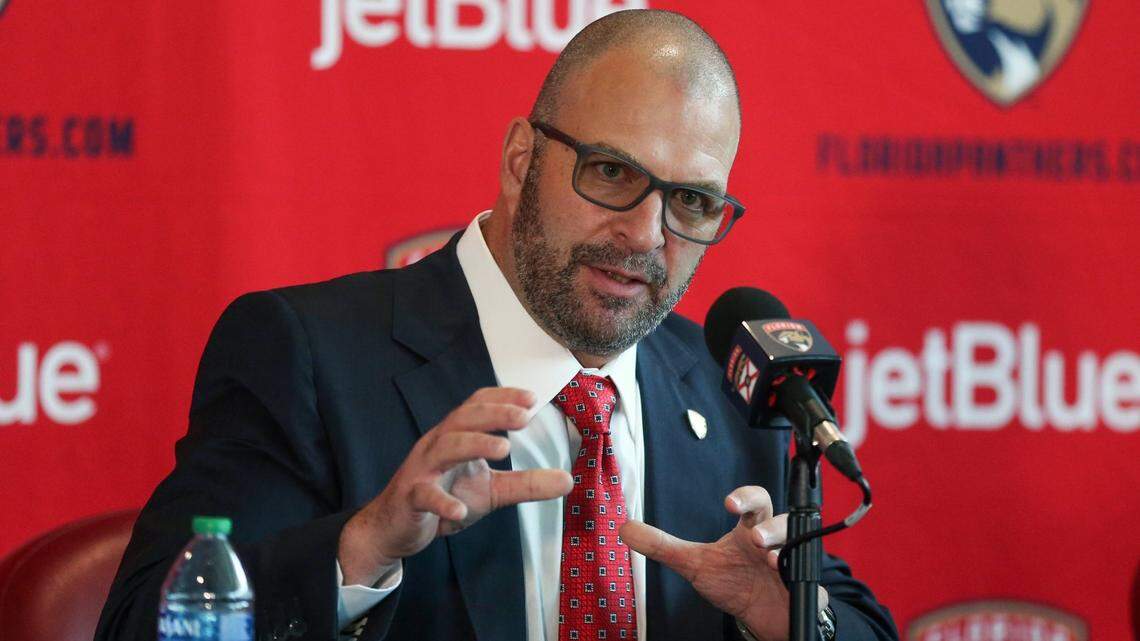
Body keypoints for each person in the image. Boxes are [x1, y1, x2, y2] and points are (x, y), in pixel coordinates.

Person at [97, 9, 897, 641]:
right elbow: (148, 624)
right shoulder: (307, 353)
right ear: (522, 159)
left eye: (691, 201)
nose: (647, 234)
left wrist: (783, 616)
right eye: (612, 172)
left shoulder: (733, 387)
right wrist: (363, 548)